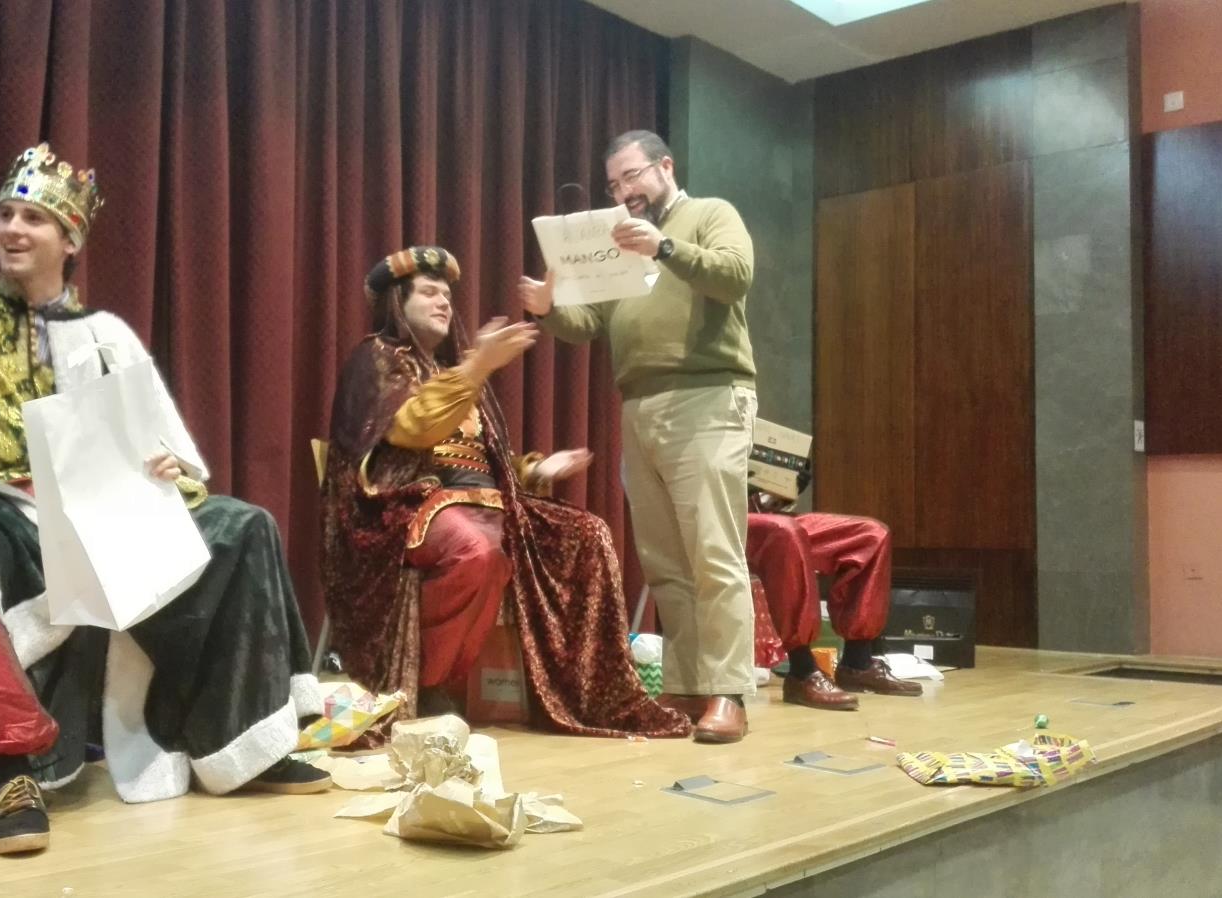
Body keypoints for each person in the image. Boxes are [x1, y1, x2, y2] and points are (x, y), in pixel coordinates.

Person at [0, 142, 327, 856]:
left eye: (32, 218)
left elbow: (165, 447)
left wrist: (169, 467)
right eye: (5, 215)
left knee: (244, 525)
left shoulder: (107, 336)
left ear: (69, 240)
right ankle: (11, 769)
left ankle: (241, 747)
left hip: (104, 513)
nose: (12, 229)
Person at [320, 246, 690, 740]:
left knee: (589, 534)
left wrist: (536, 470)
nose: (444, 302)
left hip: (486, 503)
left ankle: (586, 692)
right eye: (428, 292)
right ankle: (430, 683)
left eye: (447, 294)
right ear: (397, 303)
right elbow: (413, 429)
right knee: (477, 552)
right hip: (404, 505)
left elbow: (485, 464)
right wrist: (477, 366)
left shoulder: (456, 369)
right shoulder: (377, 359)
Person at [519, 129, 758, 743]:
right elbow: (587, 324)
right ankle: (687, 683)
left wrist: (665, 246)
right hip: (639, 405)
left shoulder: (710, 215)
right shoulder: (619, 243)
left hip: (708, 396)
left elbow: (735, 276)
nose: (623, 192)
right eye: (613, 185)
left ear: (665, 167)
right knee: (665, 560)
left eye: (631, 177)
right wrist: (548, 307)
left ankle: (729, 690)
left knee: (714, 552)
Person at [748, 487, 923, 709]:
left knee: (871, 535)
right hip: (723, 519)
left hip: (759, 511)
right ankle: (801, 672)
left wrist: (784, 486)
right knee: (785, 532)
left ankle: (858, 664)